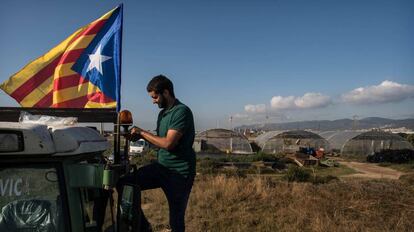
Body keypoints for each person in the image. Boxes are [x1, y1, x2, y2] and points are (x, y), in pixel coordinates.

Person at [118, 75, 196, 232]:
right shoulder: (163, 114)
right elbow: (158, 141)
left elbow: (168, 143)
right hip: (161, 168)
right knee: (124, 184)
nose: (153, 101)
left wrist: (142, 132)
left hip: (179, 174)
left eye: (155, 97)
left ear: (165, 93)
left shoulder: (182, 111)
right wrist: (138, 136)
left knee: (176, 221)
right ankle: (144, 227)